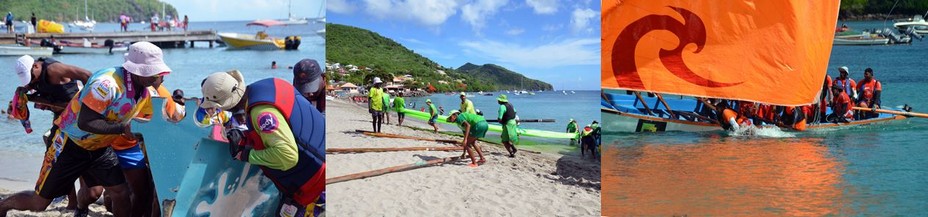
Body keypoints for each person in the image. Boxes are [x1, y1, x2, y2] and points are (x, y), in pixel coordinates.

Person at [0, 42, 171, 217]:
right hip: (70, 144)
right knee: (40, 202)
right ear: (138, 71)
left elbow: (149, 122)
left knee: (121, 193)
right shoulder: (106, 84)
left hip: (99, 147)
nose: (162, 77)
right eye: (156, 72)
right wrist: (122, 129)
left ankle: (80, 208)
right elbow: (85, 122)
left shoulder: (144, 91)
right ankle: (3, 206)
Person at [199, 70, 325, 217]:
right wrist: (247, 138)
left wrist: (247, 155)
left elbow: (287, 156)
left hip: (315, 183)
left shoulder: (261, 114)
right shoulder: (272, 84)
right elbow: (291, 127)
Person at [12, 55, 93, 211]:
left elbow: (87, 75)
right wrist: (25, 93)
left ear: (36, 66)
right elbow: (46, 93)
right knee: (58, 161)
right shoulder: (35, 78)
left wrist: (89, 104)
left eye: (32, 78)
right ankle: (72, 202)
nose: (31, 82)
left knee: (79, 162)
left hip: (78, 119)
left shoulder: (53, 69)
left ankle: (79, 203)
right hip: (62, 119)